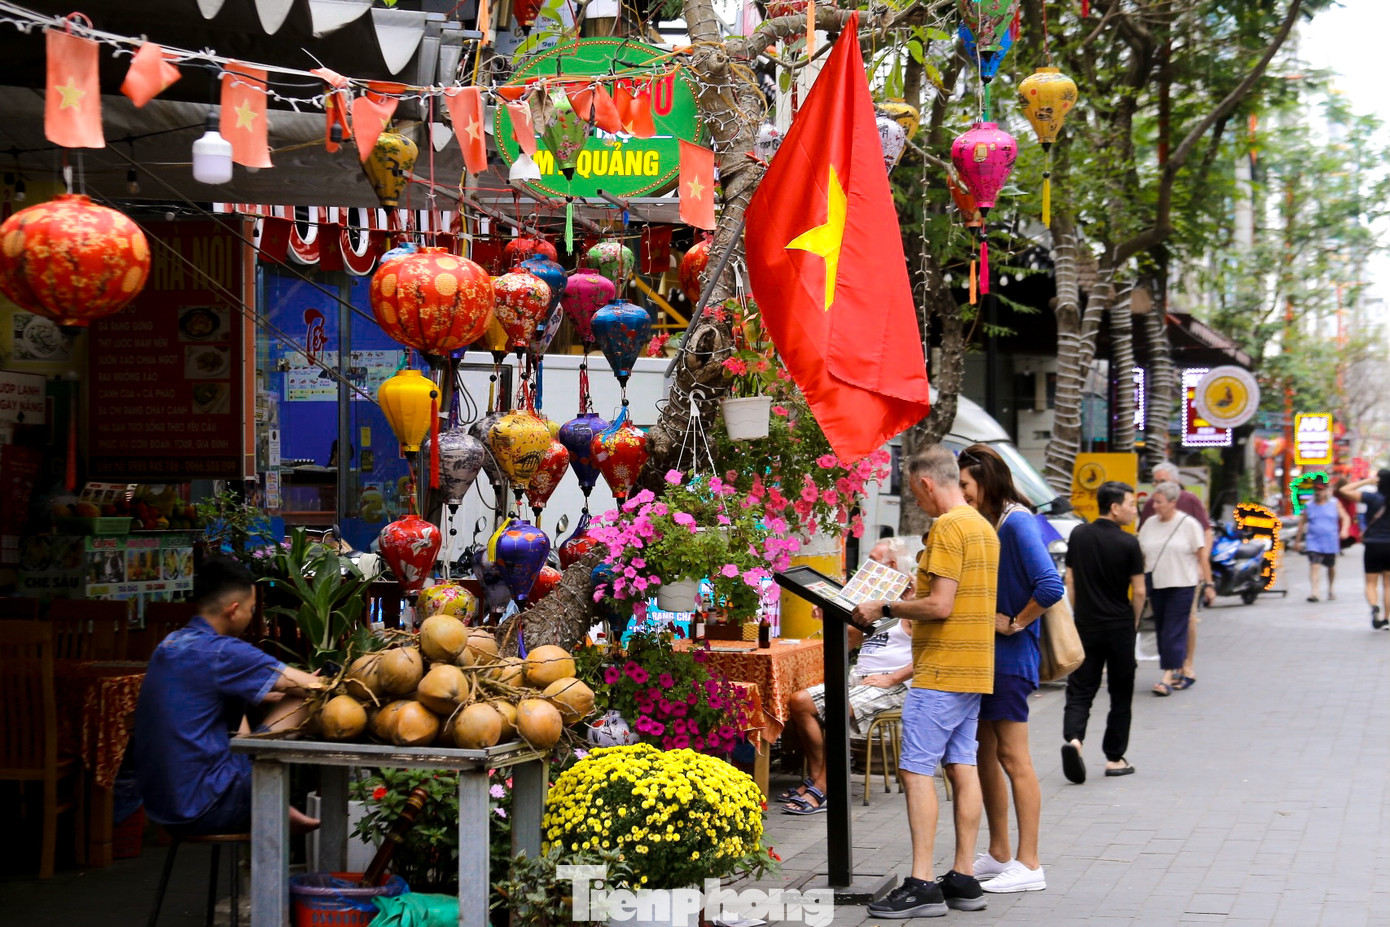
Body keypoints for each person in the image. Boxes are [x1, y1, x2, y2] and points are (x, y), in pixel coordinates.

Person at [854, 445, 999, 918]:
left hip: (940, 669)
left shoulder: (948, 526)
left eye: (916, 493)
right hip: (974, 665)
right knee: (962, 765)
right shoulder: (982, 526)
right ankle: (963, 877)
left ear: (925, 483)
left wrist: (887, 606)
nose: (918, 502)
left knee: (916, 770)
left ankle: (920, 882)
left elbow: (940, 606)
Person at [133, 556, 323, 835]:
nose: (251, 615)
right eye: (252, 609)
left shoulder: (170, 644)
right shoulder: (224, 652)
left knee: (240, 699)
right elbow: (316, 687)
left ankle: (261, 793)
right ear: (234, 610)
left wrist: (264, 691)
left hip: (161, 805)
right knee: (306, 698)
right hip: (204, 806)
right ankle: (267, 799)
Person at [957, 444, 1064, 894]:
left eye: (965, 484)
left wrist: (1017, 622)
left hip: (1011, 659)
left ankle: (1030, 862)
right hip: (987, 659)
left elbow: (1051, 584)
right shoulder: (993, 522)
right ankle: (1001, 853)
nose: (961, 493)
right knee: (985, 751)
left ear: (986, 482)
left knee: (1013, 757)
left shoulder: (1017, 522)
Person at [779, 540, 915, 815]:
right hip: (860, 679)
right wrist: (830, 615)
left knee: (839, 707)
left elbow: (930, 653)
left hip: (893, 682)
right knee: (800, 701)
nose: (866, 567)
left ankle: (824, 788)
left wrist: (892, 678)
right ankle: (819, 779)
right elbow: (848, 644)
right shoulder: (871, 603)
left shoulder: (912, 604)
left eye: (874, 560)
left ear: (891, 566)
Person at [1062, 481, 1146, 782]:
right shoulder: (1129, 543)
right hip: (1120, 626)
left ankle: (1073, 740)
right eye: (1131, 504)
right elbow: (1138, 591)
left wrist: (1078, 614)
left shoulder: (1079, 535)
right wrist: (1134, 623)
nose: (1134, 510)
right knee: (1121, 693)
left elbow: (1070, 582)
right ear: (1114, 507)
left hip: (1086, 624)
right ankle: (1114, 758)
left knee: (1081, 688)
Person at [1139, 462, 1212, 686]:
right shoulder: (1151, 510)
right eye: (1157, 482)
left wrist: (1204, 569)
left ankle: (1183, 667)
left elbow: (1205, 534)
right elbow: (1141, 544)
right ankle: (1177, 667)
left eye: (1163, 482)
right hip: (1157, 578)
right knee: (1164, 624)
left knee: (1181, 621)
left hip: (1185, 576)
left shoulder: (1190, 502)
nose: (1158, 487)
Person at [1337, 470, 1390, 629]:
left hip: (1373, 545)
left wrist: (1366, 481)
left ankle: (1374, 607)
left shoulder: (1372, 498)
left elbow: (1344, 491)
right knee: (1388, 584)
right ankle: (1387, 619)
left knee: (1370, 582)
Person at [1294, 477, 1350, 602]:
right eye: (1316, 490)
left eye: (1320, 490)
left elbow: (1345, 517)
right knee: (1314, 565)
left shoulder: (1334, 503)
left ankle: (1330, 589)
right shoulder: (1309, 506)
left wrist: (1344, 530)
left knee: (1331, 567)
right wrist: (1297, 541)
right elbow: (1301, 524)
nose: (1318, 493)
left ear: (1326, 491)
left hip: (1330, 541)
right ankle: (1315, 592)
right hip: (1313, 541)